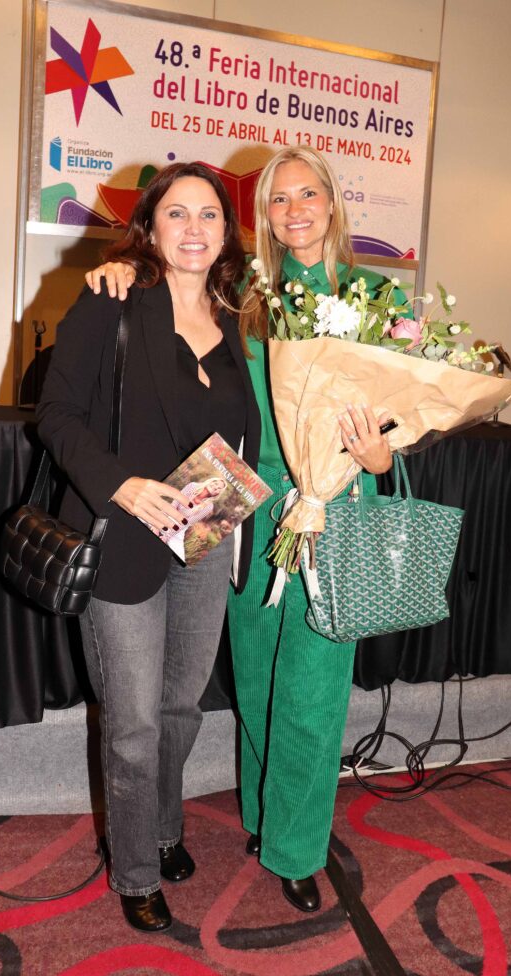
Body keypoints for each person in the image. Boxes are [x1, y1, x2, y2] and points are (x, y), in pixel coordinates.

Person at [86, 146, 404, 914]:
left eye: (307, 194)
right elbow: (173, 305)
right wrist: (122, 269)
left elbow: (398, 416)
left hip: (331, 510)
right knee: (256, 680)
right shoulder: (247, 295)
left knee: (313, 689)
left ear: (332, 201)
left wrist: (378, 453)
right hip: (239, 511)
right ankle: (263, 822)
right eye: (277, 199)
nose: (293, 210)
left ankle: (295, 848)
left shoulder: (373, 297)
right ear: (260, 217)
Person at [37, 162, 260, 933]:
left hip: (204, 531)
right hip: (125, 536)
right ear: (151, 227)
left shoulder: (238, 316)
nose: (194, 228)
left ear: (227, 234)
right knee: (131, 721)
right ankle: (134, 867)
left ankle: (164, 829)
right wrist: (119, 484)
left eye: (209, 215)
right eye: (177, 214)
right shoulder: (113, 300)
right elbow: (56, 414)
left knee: (180, 709)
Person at [164, 476, 227, 561]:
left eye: (219, 488)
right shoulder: (192, 486)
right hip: (169, 514)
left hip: (179, 528)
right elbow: (175, 503)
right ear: (210, 481)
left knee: (180, 557)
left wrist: (168, 536)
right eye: (215, 483)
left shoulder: (208, 506)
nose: (216, 487)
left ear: (218, 493)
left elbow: (187, 523)